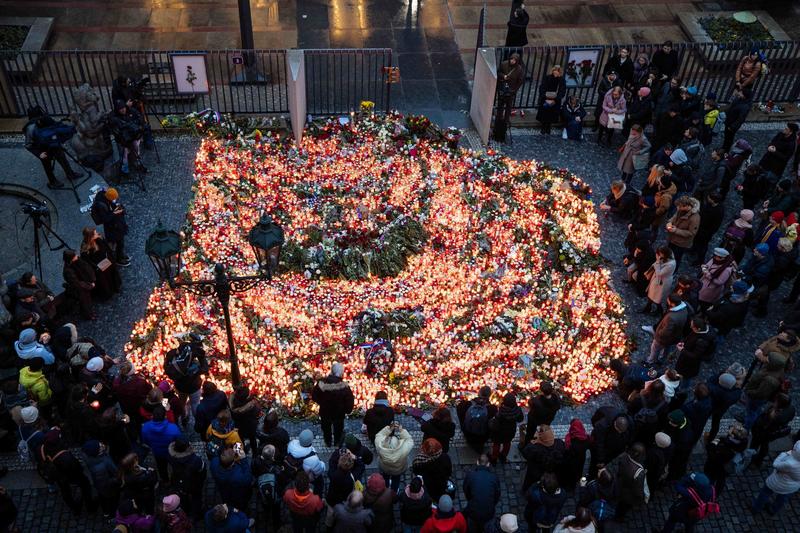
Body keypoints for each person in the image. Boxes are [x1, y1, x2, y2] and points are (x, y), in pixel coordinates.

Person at [23, 105, 80, 189]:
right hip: (43, 150)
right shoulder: (30, 128)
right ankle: (52, 182)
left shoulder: (46, 120)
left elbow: (56, 128)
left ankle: (70, 174)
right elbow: (28, 145)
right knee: (47, 166)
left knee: (63, 159)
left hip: (54, 145)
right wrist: (39, 154)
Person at [653, 472, 717, 533]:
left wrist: (687, 479)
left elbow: (678, 486)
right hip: (697, 514)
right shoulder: (712, 490)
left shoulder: (691, 494)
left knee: (672, 519)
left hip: (684, 512)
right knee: (690, 525)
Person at [164, 334, 209, 421]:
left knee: (182, 403)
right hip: (194, 387)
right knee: (195, 403)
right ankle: (198, 420)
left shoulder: (173, 364)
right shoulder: (193, 369)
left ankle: (184, 417)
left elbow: (168, 370)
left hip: (181, 387)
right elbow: (204, 368)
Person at [311, 362, 354, 447]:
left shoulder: (322, 383)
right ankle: (337, 441)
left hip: (325, 411)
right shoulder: (344, 386)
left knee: (326, 428)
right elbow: (349, 402)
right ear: (341, 373)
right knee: (338, 428)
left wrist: (322, 403)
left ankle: (328, 441)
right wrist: (347, 410)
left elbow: (314, 396)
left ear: (332, 371)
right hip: (339, 414)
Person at [752, 440, 800, 515]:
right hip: (793, 486)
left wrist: (784, 454)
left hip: (779, 482)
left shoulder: (790, 464)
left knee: (765, 493)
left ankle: (756, 508)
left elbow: (776, 465)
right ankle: (773, 510)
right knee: (782, 498)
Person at [749, 393, 795, 466]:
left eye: (776, 401)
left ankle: (752, 458)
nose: (774, 401)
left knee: (756, 444)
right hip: (771, 432)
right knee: (764, 444)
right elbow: (790, 418)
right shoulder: (791, 408)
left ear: (779, 403)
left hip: (763, 432)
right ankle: (758, 459)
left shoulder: (775, 415)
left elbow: (763, 423)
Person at [167, 436, 207, 521]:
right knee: (196, 497)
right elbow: (202, 470)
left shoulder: (171, 457)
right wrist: (201, 481)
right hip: (194, 484)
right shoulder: (195, 460)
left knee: (183, 496)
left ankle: (186, 510)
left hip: (179, 483)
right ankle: (196, 513)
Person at [704, 422, 748, 494]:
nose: (731, 427)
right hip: (725, 468)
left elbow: (712, 456)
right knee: (721, 479)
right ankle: (716, 492)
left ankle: (709, 493)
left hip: (716, 467)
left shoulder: (727, 449)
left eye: (733, 428)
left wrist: (712, 444)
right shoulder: (740, 443)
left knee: (711, 479)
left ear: (732, 435)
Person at [141, 405, 183, 480]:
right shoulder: (173, 428)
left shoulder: (145, 428)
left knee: (161, 467)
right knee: (175, 465)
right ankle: (176, 480)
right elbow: (179, 440)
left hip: (157, 452)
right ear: (165, 416)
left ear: (152, 416)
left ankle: (165, 481)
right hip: (171, 452)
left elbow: (145, 441)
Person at [589, 407, 632, 479]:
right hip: (603, 444)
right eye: (618, 430)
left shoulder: (629, 423)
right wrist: (600, 460)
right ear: (615, 424)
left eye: (621, 432)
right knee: (595, 463)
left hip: (612, 448)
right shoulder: (602, 425)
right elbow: (599, 444)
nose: (619, 433)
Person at [91, 187, 130, 266]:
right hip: (112, 228)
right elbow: (105, 219)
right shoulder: (101, 206)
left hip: (114, 225)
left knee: (120, 243)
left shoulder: (103, 196)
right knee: (120, 243)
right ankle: (119, 259)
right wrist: (114, 213)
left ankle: (121, 255)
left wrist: (115, 209)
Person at [79, 226, 121, 300]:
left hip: (107, 263)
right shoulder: (85, 249)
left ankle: (115, 287)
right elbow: (87, 262)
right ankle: (108, 294)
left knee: (112, 277)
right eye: (95, 234)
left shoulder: (99, 239)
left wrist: (111, 259)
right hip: (99, 269)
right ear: (90, 236)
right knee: (105, 282)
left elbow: (107, 249)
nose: (97, 234)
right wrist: (97, 267)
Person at [609, 442, 648, 521]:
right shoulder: (639, 472)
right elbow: (638, 490)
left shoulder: (623, 456)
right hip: (628, 495)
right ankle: (619, 518)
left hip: (620, 486)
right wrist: (641, 498)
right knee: (624, 507)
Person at [520, 424, 565, 491]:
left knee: (531, 485)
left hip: (535, 473)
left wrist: (534, 440)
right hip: (552, 472)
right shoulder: (560, 444)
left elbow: (525, 453)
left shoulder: (535, 448)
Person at [463, 454, 500, 532]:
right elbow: (497, 495)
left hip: (473, 513)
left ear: (477, 462)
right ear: (488, 464)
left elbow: (466, 491)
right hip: (488, 514)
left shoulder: (470, 476)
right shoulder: (494, 477)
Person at [210, 447, 253, 512]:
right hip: (239, 496)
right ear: (232, 463)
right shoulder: (238, 477)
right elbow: (248, 479)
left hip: (224, 491)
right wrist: (243, 459)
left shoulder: (214, 463)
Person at [375, 420, 414, 491]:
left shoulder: (379, 446)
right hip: (398, 470)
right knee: (396, 479)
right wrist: (401, 430)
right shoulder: (403, 449)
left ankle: (385, 487)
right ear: (398, 444)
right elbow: (409, 440)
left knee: (385, 477)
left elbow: (379, 435)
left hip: (384, 468)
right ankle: (394, 491)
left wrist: (390, 428)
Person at [457, 386, 497, 453]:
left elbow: (458, 409)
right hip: (483, 436)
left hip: (468, 433)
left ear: (479, 393)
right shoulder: (492, 409)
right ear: (490, 395)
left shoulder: (467, 404)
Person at [494, 54, 524, 142]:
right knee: (500, 106)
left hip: (510, 91)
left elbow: (520, 81)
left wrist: (514, 91)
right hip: (502, 89)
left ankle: (505, 124)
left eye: (514, 60)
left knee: (508, 107)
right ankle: (498, 122)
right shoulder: (504, 64)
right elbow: (498, 72)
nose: (512, 61)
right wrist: (503, 76)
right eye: (511, 59)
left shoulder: (519, 69)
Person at [287, 429, 327, 494]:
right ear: (310, 442)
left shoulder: (292, 444)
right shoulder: (312, 458)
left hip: (294, 472)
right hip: (306, 476)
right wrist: (322, 464)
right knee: (320, 482)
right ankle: (318, 495)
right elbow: (319, 471)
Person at [489, 392, 523, 464]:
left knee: (497, 444)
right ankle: (503, 455)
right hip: (510, 431)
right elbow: (520, 419)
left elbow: (495, 423)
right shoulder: (518, 410)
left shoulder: (501, 412)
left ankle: (494, 458)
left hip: (499, 432)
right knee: (507, 443)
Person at [62, 249, 96, 320]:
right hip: (78, 289)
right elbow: (77, 284)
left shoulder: (74, 262)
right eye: (74, 256)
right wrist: (89, 286)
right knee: (85, 301)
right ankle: (89, 315)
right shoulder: (68, 271)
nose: (77, 256)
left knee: (86, 300)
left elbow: (85, 267)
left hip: (82, 284)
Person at [641, 246, 675, 316]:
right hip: (656, 279)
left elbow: (660, 273)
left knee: (658, 298)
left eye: (660, 253)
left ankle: (659, 310)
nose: (659, 255)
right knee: (651, 293)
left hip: (663, 282)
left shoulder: (671, 264)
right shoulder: (665, 257)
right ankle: (648, 307)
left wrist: (657, 262)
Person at [230, 385, 261, 455]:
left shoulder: (233, 404)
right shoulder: (252, 405)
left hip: (239, 426)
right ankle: (255, 453)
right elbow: (257, 413)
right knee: (252, 439)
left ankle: (241, 452)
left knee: (239, 439)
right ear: (246, 397)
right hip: (250, 426)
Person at [536, 66, 566, 135]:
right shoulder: (547, 77)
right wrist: (545, 97)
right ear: (552, 71)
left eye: (557, 71)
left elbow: (562, 90)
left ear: (560, 72)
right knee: (544, 113)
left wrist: (556, 99)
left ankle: (548, 127)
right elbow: (542, 87)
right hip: (545, 98)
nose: (556, 72)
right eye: (554, 70)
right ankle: (543, 127)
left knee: (551, 114)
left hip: (555, 100)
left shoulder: (561, 80)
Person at [562, 419, 590, 490]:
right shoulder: (586, 438)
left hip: (571, 461)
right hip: (581, 460)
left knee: (570, 474)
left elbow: (566, 449)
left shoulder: (569, 438)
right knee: (578, 473)